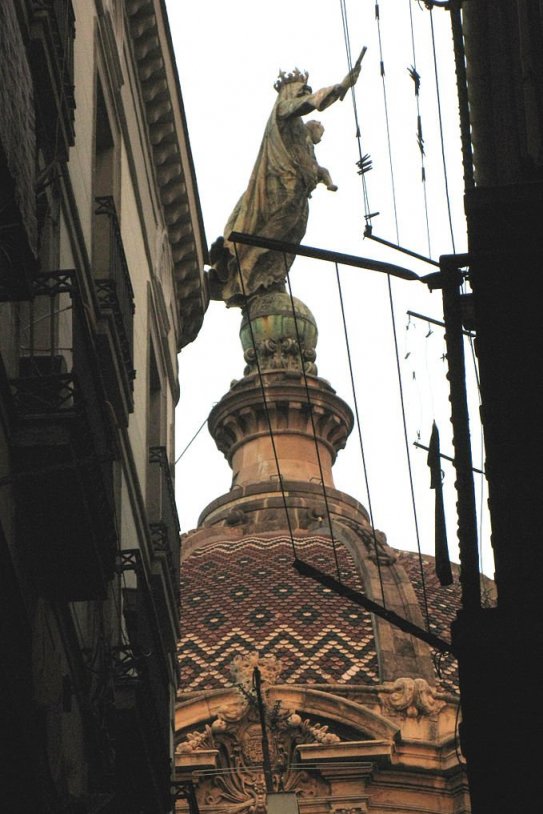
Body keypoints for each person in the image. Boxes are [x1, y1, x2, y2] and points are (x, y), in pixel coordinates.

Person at [209, 55, 364, 306]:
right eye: (302, 91)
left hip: (298, 196)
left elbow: (314, 162)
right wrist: (340, 87)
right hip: (280, 193)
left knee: (285, 241)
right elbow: (309, 104)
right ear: (291, 92)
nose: (306, 94)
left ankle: (266, 279)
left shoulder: (302, 132)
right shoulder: (282, 111)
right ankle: (240, 271)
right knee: (269, 235)